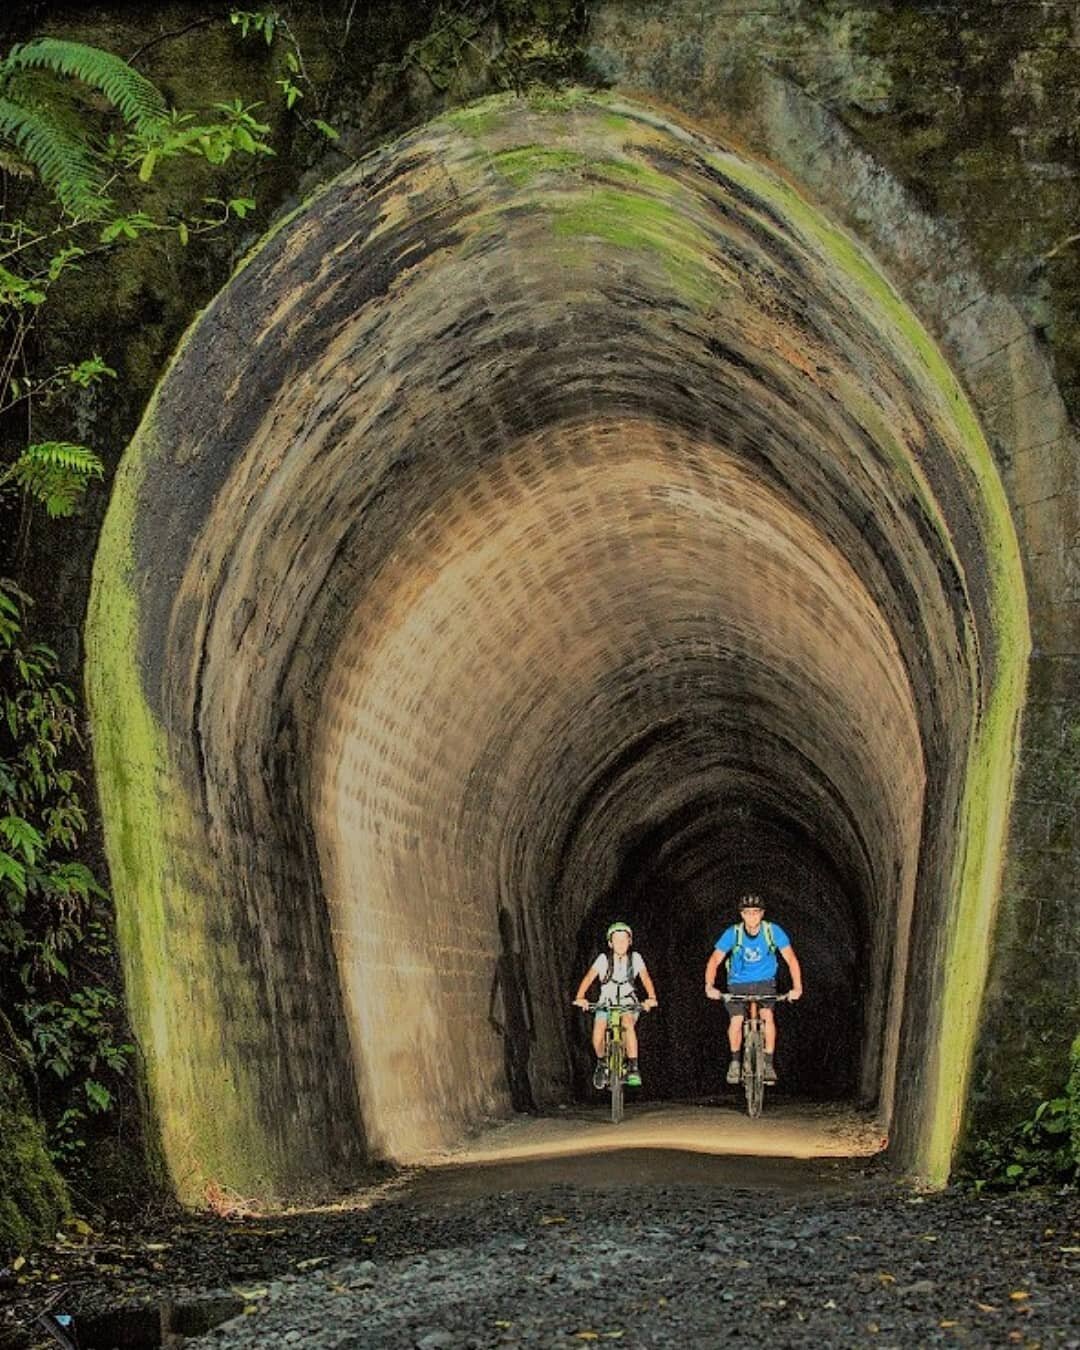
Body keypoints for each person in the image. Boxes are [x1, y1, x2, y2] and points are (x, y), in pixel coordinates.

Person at [705, 896, 802, 1085]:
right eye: (748, 913)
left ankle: (767, 1063)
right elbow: (714, 960)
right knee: (737, 1020)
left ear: (762, 914)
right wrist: (709, 985)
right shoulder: (733, 933)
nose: (752, 917)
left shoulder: (772, 931)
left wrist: (797, 987)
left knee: (767, 1017)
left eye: (756, 912)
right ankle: (735, 1062)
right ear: (742, 915)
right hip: (737, 982)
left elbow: (791, 959)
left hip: (765, 981)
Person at [573, 921, 658, 1088]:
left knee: (627, 1024)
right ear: (610, 943)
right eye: (616, 940)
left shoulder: (635, 958)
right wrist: (580, 997)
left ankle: (633, 1066)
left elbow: (645, 977)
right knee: (598, 1032)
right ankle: (602, 1063)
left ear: (630, 941)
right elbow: (590, 977)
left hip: (628, 1002)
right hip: (606, 1002)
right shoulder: (603, 959)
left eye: (624, 939)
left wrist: (651, 997)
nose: (620, 943)